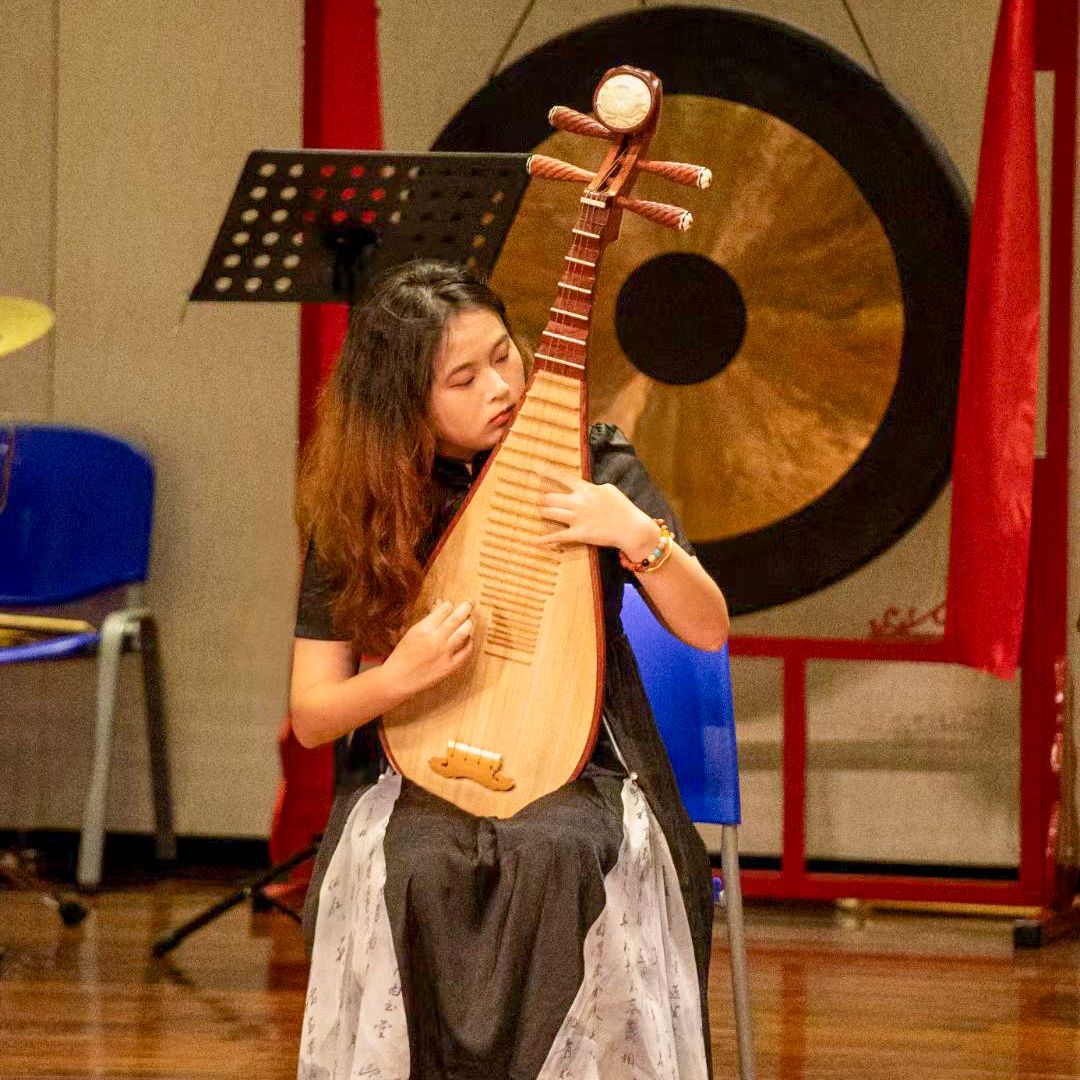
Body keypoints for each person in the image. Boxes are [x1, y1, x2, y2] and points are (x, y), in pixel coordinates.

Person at [291, 258, 730, 1080]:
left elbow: (707, 627)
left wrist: (634, 531)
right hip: (417, 765)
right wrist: (402, 675)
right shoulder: (365, 503)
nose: (500, 386)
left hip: (589, 762)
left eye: (504, 355)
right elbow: (313, 715)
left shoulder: (594, 463)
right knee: (417, 866)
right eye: (463, 379)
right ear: (402, 405)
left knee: (560, 855)